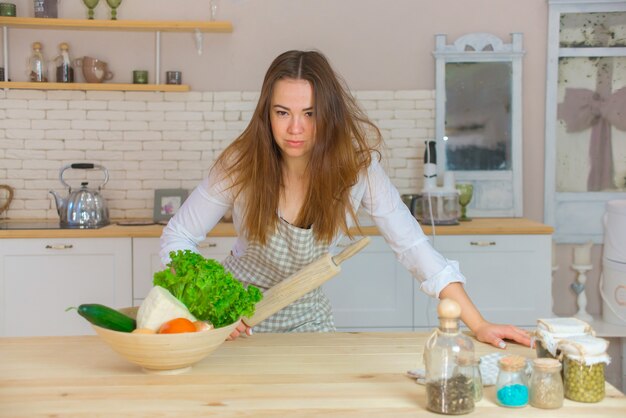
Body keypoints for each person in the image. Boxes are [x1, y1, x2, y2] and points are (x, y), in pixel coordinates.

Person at [160, 50, 531, 349]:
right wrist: (214, 307)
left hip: (308, 318)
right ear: (266, 114)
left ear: (329, 115)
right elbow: (177, 236)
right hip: (233, 323)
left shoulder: (356, 170)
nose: (295, 129)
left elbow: (413, 246)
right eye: (282, 113)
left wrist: (478, 324)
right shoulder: (240, 163)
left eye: (310, 113)